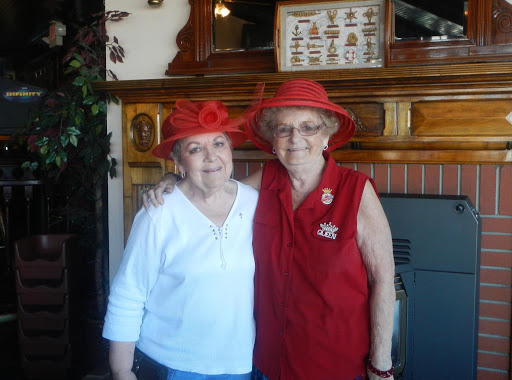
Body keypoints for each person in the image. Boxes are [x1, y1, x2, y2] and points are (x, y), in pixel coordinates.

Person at [144, 79, 395, 380]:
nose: (295, 138)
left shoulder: (355, 191)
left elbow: (382, 280)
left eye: (308, 127)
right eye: (284, 129)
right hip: (267, 364)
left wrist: (380, 366)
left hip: (336, 365)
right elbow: (212, 190)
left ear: (327, 135)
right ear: (274, 140)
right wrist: (173, 181)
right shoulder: (266, 181)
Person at [103, 99, 259, 380]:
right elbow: (128, 294)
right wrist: (122, 371)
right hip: (171, 365)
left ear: (230, 149)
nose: (211, 157)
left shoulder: (255, 205)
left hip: (240, 365)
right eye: (196, 149)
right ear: (178, 161)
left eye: (219, 144)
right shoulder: (159, 213)